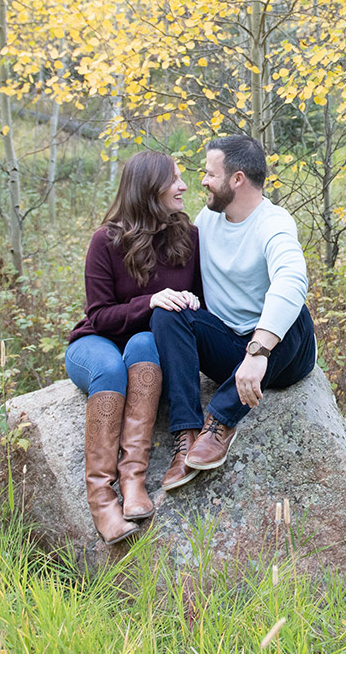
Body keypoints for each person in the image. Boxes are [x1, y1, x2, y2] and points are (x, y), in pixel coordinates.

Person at [152, 135, 316, 490]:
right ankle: (186, 437)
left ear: (237, 179)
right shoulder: (207, 220)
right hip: (229, 349)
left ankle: (221, 422)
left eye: (210, 173)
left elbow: (291, 278)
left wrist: (258, 352)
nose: (202, 181)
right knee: (168, 312)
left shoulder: (273, 222)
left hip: (281, 358)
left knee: (296, 312)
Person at [64, 151, 204, 544]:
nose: (184, 186)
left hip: (144, 348)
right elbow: (99, 315)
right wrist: (153, 300)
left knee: (144, 342)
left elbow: (200, 302)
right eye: (174, 179)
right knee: (110, 369)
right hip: (95, 344)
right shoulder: (106, 241)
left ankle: (133, 480)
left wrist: (191, 305)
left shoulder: (188, 238)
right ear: (149, 188)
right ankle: (102, 500)